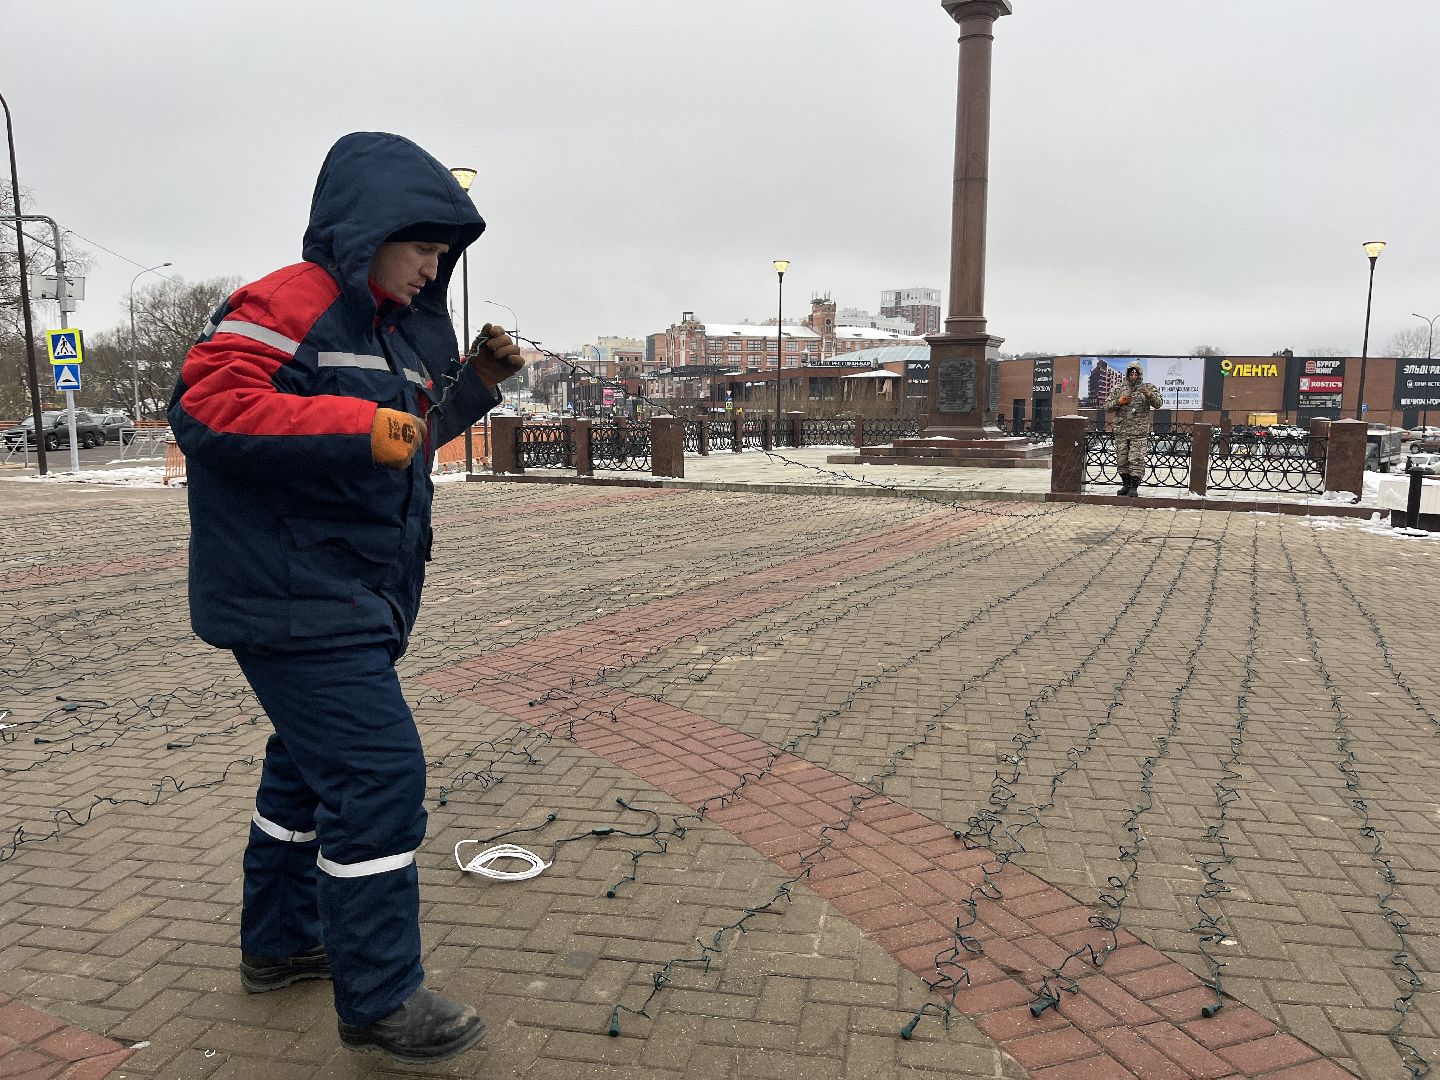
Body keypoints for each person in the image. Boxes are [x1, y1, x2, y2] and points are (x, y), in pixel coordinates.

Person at [167, 131, 523, 1064]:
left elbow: (407, 432)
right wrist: (362, 424)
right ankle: (379, 998)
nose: (432, 269)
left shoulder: (392, 329)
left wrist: (477, 384)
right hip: (293, 588)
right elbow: (207, 406)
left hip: (350, 591)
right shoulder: (290, 300)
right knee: (377, 778)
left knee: (307, 771)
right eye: (425, 250)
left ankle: (282, 944)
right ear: (375, 232)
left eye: (444, 257)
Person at [1104, 361, 1163, 496]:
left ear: (1140, 374)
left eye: (1136, 372)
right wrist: (1119, 401)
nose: (1133, 375)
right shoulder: (1119, 388)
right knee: (1122, 460)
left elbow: (1158, 403)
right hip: (1122, 431)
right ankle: (1125, 484)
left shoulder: (1148, 387)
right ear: (1128, 373)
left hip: (1139, 432)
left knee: (1136, 459)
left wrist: (1149, 394)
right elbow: (1107, 407)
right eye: (1131, 372)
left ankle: (1134, 486)